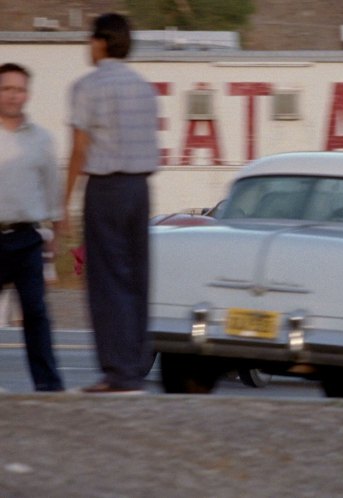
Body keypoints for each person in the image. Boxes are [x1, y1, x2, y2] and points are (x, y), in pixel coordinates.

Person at [63, 13, 158, 394]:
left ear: (101, 42)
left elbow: (79, 150)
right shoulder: (144, 88)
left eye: (90, 40)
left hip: (105, 188)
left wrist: (63, 203)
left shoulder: (86, 86)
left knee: (105, 280)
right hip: (139, 188)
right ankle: (134, 367)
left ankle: (115, 371)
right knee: (136, 278)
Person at [0, 62, 65, 391]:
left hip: (27, 239)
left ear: (28, 94)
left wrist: (54, 237)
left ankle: (49, 387)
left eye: (19, 89)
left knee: (36, 313)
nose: (13, 96)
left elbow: (53, 190)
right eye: (6, 89)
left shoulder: (41, 140)